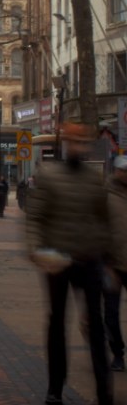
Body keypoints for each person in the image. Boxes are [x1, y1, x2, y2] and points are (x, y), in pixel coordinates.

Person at [26, 122, 112, 405]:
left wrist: (107, 257)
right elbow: (36, 217)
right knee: (57, 323)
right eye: (74, 142)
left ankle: (104, 391)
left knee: (97, 326)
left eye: (83, 142)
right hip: (59, 261)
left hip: (90, 259)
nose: (79, 147)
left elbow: (104, 220)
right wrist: (37, 249)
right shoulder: (50, 175)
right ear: (66, 145)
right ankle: (54, 388)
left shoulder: (93, 179)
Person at [103, 154, 127, 372]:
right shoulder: (105, 197)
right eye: (122, 170)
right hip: (112, 265)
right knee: (110, 313)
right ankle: (117, 353)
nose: (125, 174)